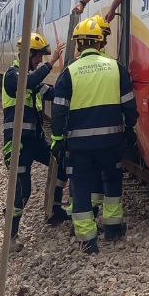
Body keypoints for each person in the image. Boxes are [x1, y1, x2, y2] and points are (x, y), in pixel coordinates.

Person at [50, 19, 138, 254]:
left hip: (79, 146)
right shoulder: (116, 68)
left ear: (78, 45)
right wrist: (129, 128)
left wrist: (58, 140)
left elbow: (58, 112)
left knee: (81, 189)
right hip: (111, 142)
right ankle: (112, 228)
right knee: (111, 182)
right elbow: (129, 106)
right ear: (100, 43)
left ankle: (88, 241)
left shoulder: (69, 73)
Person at [3, 32, 69, 246]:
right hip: (17, 144)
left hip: (34, 142)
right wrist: (50, 64)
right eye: (38, 56)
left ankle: (54, 210)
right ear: (27, 54)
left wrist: (70, 78)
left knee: (59, 162)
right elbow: (29, 81)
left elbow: (52, 92)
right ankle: (10, 237)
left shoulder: (31, 81)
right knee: (23, 189)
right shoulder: (12, 76)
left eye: (42, 57)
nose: (40, 60)